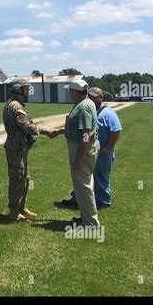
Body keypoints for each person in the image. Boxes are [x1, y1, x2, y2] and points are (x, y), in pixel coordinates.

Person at [2, 77, 56, 223]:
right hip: (16, 148)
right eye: (26, 89)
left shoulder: (14, 104)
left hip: (19, 147)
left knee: (24, 178)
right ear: (18, 89)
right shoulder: (16, 107)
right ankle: (14, 212)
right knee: (17, 180)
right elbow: (27, 126)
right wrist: (45, 131)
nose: (28, 91)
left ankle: (21, 207)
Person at [61, 87, 122, 209]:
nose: (92, 99)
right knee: (86, 176)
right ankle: (79, 198)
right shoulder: (88, 109)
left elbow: (116, 130)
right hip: (89, 150)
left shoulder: (108, 113)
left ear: (101, 98)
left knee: (100, 176)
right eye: (90, 96)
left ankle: (103, 201)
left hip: (103, 152)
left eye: (95, 97)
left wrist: (108, 148)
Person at [53, 80, 100, 227]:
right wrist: (60, 131)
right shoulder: (86, 102)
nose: (68, 93)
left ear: (75, 91)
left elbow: (86, 134)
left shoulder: (84, 106)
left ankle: (90, 223)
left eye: (69, 91)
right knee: (84, 185)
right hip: (84, 146)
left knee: (83, 186)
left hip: (82, 148)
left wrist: (79, 158)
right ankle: (87, 218)